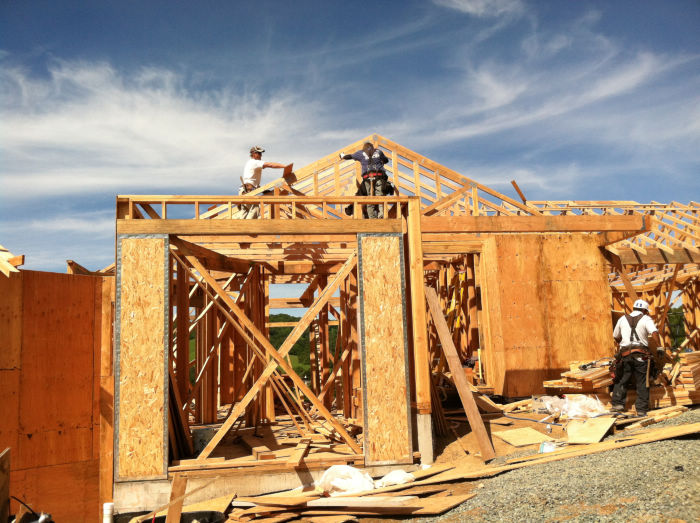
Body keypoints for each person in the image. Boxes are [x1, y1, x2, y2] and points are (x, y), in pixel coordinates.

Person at [610, 299, 663, 417]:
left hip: (625, 355)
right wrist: (659, 347)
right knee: (642, 382)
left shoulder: (622, 319)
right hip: (641, 355)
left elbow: (615, 336)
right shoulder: (646, 319)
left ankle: (617, 405)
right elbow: (654, 332)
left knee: (622, 379)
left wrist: (623, 344)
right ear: (644, 310)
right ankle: (641, 410)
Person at [339, 142, 395, 218]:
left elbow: (349, 156)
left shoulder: (360, 153)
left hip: (367, 179)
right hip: (379, 177)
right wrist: (381, 161)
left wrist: (342, 156)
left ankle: (371, 217)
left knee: (369, 198)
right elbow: (386, 160)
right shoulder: (378, 151)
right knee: (380, 196)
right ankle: (381, 215)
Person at [236, 146, 288, 218]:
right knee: (255, 209)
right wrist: (285, 167)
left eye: (261, 153)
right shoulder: (254, 162)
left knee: (245, 213)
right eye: (259, 153)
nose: (261, 155)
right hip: (248, 191)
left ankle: (240, 227)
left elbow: (253, 182)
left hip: (244, 191)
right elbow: (270, 164)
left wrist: (263, 190)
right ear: (254, 154)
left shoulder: (251, 163)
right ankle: (248, 228)